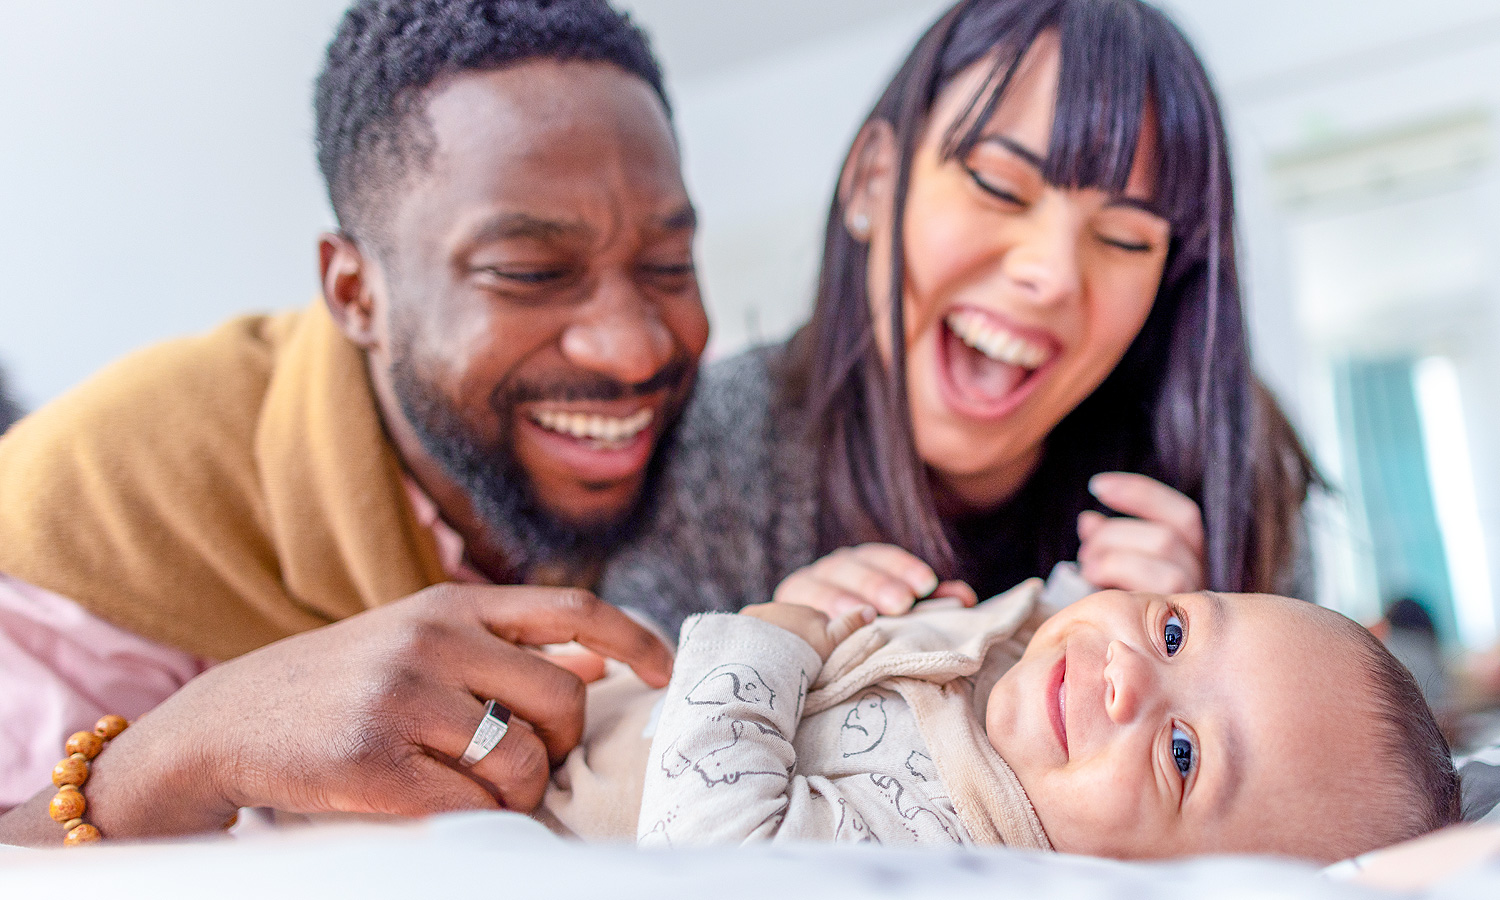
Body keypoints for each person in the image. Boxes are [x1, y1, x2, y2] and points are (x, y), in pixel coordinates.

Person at [0, 0, 701, 845]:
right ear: (355, 292)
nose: (632, 349)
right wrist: (202, 742)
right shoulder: (94, 498)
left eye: (668, 265)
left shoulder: (710, 450)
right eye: (529, 272)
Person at [600, 0, 1319, 637]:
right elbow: (618, 753)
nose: (1053, 275)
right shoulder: (713, 451)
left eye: (1126, 238)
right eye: (999, 187)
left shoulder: (1231, 469)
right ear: (873, 181)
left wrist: (1213, 672)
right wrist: (769, 664)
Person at [541, 582, 1460, 862]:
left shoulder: (943, 846)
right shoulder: (1021, 649)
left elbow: (709, 858)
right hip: (567, 691)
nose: (1127, 677)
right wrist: (847, 586)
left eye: (1182, 754)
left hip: (504, 793)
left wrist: (771, 635)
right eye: (1174, 629)